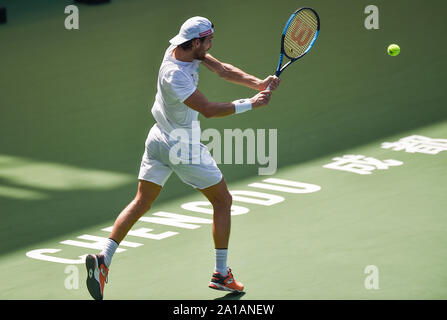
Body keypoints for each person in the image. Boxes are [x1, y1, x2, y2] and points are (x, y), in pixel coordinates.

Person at [85, 16, 280, 300]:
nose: (212, 44)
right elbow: (209, 110)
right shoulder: (174, 75)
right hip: (182, 147)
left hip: (157, 139)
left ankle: (104, 259)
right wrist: (251, 104)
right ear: (196, 42)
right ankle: (221, 273)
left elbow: (222, 70)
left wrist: (257, 83)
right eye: (208, 40)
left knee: (142, 202)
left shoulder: (182, 50)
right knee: (223, 200)